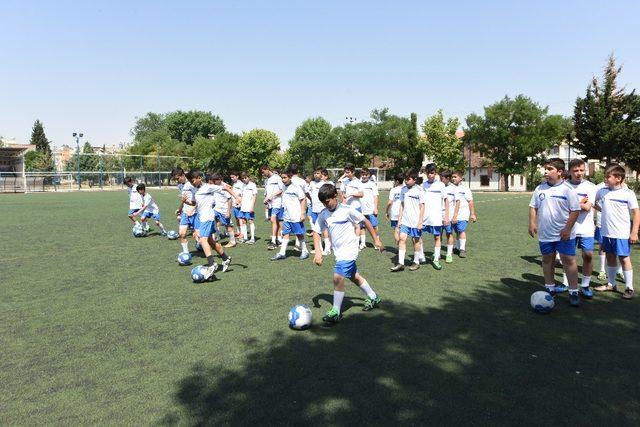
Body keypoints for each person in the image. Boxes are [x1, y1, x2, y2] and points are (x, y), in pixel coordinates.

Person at [312, 184, 384, 323]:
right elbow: (316, 232)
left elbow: (366, 221)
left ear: (335, 196)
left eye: (327, 202)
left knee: (338, 277)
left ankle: (336, 311)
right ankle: (374, 297)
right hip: (339, 252)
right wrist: (318, 253)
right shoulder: (323, 214)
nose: (325, 205)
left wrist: (376, 240)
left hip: (350, 250)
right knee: (354, 276)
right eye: (323, 203)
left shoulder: (347, 209)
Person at [528, 158, 582, 306]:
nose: (546, 171)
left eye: (549, 169)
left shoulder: (567, 189)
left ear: (559, 172)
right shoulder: (539, 189)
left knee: (568, 261)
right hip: (546, 233)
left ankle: (573, 291)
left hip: (564, 234)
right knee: (547, 260)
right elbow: (533, 206)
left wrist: (567, 228)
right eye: (545, 168)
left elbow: (575, 211)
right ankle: (549, 288)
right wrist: (532, 223)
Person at [594, 164, 640, 299]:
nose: (605, 179)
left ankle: (629, 288)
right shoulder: (602, 191)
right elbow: (593, 202)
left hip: (621, 233)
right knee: (610, 258)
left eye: (608, 177)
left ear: (618, 178)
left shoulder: (628, 193)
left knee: (624, 259)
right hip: (606, 233)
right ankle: (611, 284)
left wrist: (634, 232)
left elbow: (636, 213)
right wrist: (602, 209)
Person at [188, 170, 239, 280]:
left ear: (198, 178)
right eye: (190, 181)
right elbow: (194, 203)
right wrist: (186, 203)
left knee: (203, 240)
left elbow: (226, 188)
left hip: (208, 217)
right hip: (202, 218)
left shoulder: (208, 187)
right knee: (211, 241)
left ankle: (211, 264)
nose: (192, 183)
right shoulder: (195, 190)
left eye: (193, 180)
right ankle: (225, 258)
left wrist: (237, 197)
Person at [560, 159, 597, 297]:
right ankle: (565, 283)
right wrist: (578, 203)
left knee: (588, 256)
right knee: (568, 257)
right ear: (569, 171)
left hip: (586, 228)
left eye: (581, 170)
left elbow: (587, 207)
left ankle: (585, 285)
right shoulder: (563, 186)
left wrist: (572, 204)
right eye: (575, 170)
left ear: (585, 170)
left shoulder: (591, 187)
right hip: (568, 227)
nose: (579, 173)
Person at [271, 171, 309, 261]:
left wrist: (303, 213)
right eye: (282, 178)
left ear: (290, 177)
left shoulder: (296, 187)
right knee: (285, 233)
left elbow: (303, 199)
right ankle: (282, 253)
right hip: (287, 215)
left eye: (285, 178)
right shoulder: (284, 187)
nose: (283, 180)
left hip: (295, 215)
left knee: (299, 234)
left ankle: (305, 251)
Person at [391, 170, 425, 272]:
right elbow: (402, 205)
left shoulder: (419, 190)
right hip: (405, 220)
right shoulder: (403, 190)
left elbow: (422, 207)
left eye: (408, 179)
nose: (406, 181)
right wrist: (399, 220)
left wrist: (420, 221)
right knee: (402, 239)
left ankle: (416, 262)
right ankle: (401, 263)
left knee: (416, 240)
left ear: (415, 180)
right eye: (405, 179)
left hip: (415, 221)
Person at [421, 163, 448, 270]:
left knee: (437, 237)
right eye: (428, 173)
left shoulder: (441, 185)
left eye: (432, 173)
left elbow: (446, 200)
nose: (430, 175)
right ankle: (421, 256)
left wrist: (446, 216)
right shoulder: (423, 185)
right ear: (426, 173)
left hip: (436, 217)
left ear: (435, 173)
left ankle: (436, 259)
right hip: (424, 217)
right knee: (418, 236)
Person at [451, 170, 477, 258]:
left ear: (460, 178)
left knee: (461, 230)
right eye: (452, 177)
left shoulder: (465, 189)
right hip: (452, 214)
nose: (453, 178)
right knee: (457, 231)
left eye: (455, 177)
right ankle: (457, 247)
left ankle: (462, 249)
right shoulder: (450, 188)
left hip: (463, 213)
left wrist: (472, 214)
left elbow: (470, 202)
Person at [309, 167, 334, 255]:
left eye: (318, 173)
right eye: (315, 173)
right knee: (316, 229)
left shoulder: (324, 184)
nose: (316, 175)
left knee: (325, 229)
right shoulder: (311, 183)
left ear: (321, 174)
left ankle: (327, 248)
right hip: (314, 209)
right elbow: (310, 195)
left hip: (322, 209)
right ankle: (318, 249)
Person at [173, 168, 198, 253]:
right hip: (185, 212)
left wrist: (193, 209)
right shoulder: (180, 185)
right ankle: (186, 253)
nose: (177, 181)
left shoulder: (192, 183)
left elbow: (198, 200)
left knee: (198, 236)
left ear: (183, 175)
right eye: (175, 179)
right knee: (182, 234)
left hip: (196, 212)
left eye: (177, 178)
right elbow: (184, 200)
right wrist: (180, 209)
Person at [260, 165, 285, 250]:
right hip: (270, 204)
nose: (263, 174)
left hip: (277, 203)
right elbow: (267, 192)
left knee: (273, 219)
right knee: (275, 221)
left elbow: (282, 189)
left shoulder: (277, 177)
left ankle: (273, 242)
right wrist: (266, 199)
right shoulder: (266, 180)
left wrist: (272, 196)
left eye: (263, 172)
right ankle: (278, 239)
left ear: (267, 169)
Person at [210, 173, 237, 248]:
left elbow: (229, 200)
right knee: (212, 221)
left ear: (220, 180)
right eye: (213, 180)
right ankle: (215, 237)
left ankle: (232, 241)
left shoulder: (225, 187)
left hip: (224, 210)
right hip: (216, 209)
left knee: (227, 225)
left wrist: (228, 211)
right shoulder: (215, 187)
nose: (214, 182)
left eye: (215, 180)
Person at [358, 168, 379, 249]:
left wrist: (375, 208)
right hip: (361, 209)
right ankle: (363, 243)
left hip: (370, 209)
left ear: (369, 175)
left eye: (366, 175)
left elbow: (375, 196)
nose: (364, 176)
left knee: (374, 226)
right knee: (362, 226)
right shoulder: (358, 184)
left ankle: (376, 241)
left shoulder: (372, 184)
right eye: (362, 174)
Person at [439, 170, 457, 263]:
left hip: (448, 216)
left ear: (448, 178)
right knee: (438, 235)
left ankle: (449, 254)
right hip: (438, 215)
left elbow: (457, 202)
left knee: (449, 234)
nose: (440, 180)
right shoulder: (438, 187)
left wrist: (454, 216)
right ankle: (437, 254)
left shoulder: (454, 188)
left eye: (442, 178)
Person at [385, 173, 404, 251]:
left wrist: (386, 212)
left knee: (396, 229)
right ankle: (401, 245)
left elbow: (390, 202)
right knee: (402, 230)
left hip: (394, 212)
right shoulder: (405, 189)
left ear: (396, 181)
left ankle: (398, 246)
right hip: (403, 212)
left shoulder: (393, 190)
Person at [238, 172, 257, 244]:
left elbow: (254, 196)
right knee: (243, 221)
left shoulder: (252, 185)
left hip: (249, 207)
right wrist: (240, 203)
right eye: (243, 178)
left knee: (250, 221)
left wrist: (252, 206)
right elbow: (242, 196)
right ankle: (245, 238)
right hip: (243, 207)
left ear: (249, 177)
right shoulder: (243, 185)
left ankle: (252, 238)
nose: (244, 179)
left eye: (245, 178)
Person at [230, 171, 245, 238]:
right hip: (234, 204)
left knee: (240, 218)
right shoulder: (234, 184)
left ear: (237, 176)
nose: (232, 178)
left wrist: (240, 201)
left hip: (239, 204)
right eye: (231, 177)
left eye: (233, 177)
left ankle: (242, 233)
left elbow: (243, 193)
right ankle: (238, 232)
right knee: (236, 218)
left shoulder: (241, 184)